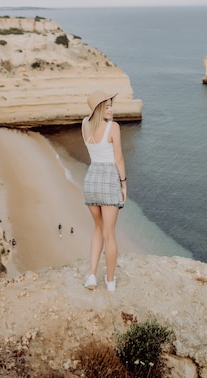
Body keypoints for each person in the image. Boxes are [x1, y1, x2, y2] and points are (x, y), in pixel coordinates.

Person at [81, 90, 127, 292]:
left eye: (111, 105)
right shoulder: (113, 127)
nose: (111, 109)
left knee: (97, 228)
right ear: (99, 108)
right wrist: (123, 183)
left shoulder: (84, 124)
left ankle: (91, 275)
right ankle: (109, 280)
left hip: (91, 179)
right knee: (110, 234)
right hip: (108, 180)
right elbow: (118, 159)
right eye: (107, 106)